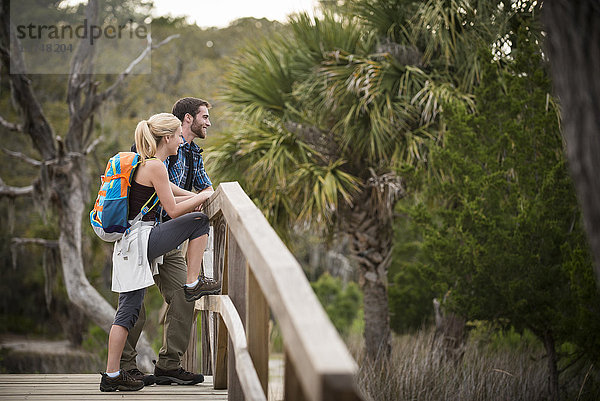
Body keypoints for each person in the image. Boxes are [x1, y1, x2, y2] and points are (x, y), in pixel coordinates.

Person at [100, 113, 216, 392]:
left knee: (128, 311)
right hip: (140, 240)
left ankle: (113, 374)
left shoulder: (149, 163)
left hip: (134, 243)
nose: (180, 141)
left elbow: (171, 192)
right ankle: (192, 282)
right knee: (199, 221)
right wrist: (202, 197)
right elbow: (174, 211)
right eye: (177, 136)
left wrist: (196, 195)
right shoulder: (155, 166)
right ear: (167, 138)